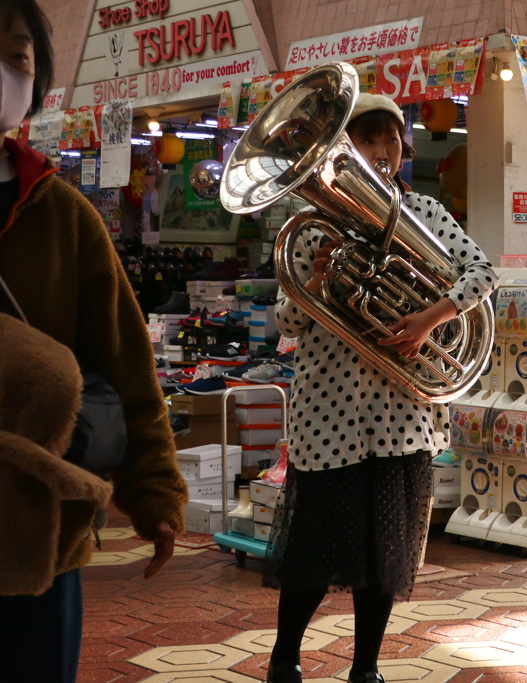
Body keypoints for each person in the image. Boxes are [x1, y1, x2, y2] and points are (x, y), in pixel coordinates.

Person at [265, 93, 497, 683]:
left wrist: (430, 319)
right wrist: (314, 282)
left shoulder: (423, 211)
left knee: (384, 560)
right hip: (328, 415)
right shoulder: (313, 225)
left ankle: (365, 669)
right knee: (313, 553)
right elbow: (285, 324)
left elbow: (483, 273)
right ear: (345, 148)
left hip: (401, 417)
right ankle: (284, 659)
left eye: (391, 139)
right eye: (369, 139)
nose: (383, 150)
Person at [0, 1, 189, 681]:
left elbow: (126, 365)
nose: (2, 68)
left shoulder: (65, 216)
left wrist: (155, 493)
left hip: (44, 532)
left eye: (16, 54)